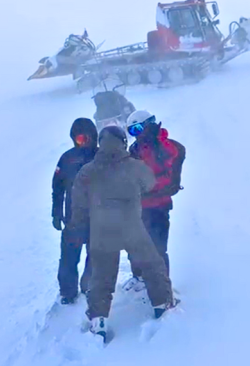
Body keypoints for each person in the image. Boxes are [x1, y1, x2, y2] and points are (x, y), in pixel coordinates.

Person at [67, 125, 177, 341]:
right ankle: (162, 303)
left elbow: (78, 205)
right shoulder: (135, 166)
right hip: (131, 225)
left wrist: (78, 227)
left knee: (101, 277)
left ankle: (98, 321)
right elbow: (150, 184)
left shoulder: (87, 171)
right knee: (152, 265)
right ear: (123, 142)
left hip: (101, 229)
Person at [121, 110, 186, 292]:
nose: (137, 134)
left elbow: (167, 177)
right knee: (134, 244)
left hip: (158, 206)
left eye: (139, 129)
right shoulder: (135, 149)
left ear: (148, 125)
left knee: (157, 248)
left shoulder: (164, 146)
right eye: (132, 131)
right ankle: (140, 277)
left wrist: (145, 189)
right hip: (137, 208)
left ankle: (164, 286)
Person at [52, 118, 98, 304]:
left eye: (86, 138)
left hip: (98, 218)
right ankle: (67, 292)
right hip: (73, 218)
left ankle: (90, 286)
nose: (83, 143)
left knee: (96, 256)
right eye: (79, 139)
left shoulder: (102, 156)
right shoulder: (67, 158)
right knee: (68, 258)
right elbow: (57, 188)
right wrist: (56, 212)